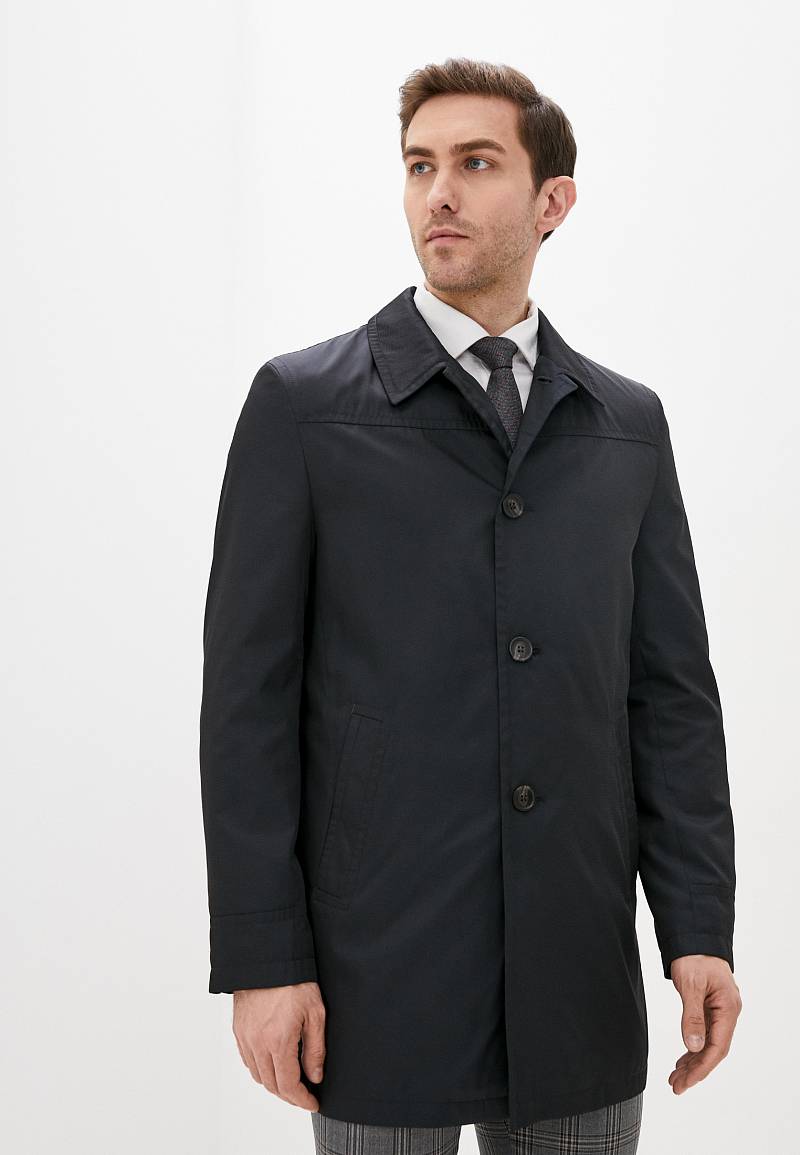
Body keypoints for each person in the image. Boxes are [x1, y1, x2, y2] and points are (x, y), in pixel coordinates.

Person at [199, 57, 741, 1155]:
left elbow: (669, 700)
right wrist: (263, 960)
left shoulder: (625, 426)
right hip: (373, 966)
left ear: (552, 201)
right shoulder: (304, 407)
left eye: (476, 163)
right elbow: (246, 708)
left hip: (576, 963)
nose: (438, 193)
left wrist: (697, 928)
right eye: (419, 166)